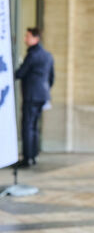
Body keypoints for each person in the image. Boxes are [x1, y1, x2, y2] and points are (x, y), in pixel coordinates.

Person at [15, 28, 54, 167]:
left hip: (31, 96)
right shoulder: (48, 55)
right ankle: (34, 155)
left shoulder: (32, 55)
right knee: (34, 127)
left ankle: (27, 159)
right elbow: (51, 78)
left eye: (27, 36)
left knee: (27, 126)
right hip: (42, 95)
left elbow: (20, 73)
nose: (25, 39)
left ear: (35, 38)